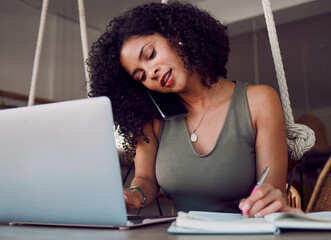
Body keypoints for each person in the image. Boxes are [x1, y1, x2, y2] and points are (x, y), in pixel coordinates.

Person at [87, 1, 302, 217]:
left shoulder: (260, 101)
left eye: (150, 55)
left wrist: (270, 197)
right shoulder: (151, 120)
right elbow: (146, 179)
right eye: (141, 76)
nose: (151, 72)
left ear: (175, 36)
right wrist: (135, 195)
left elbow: (273, 189)